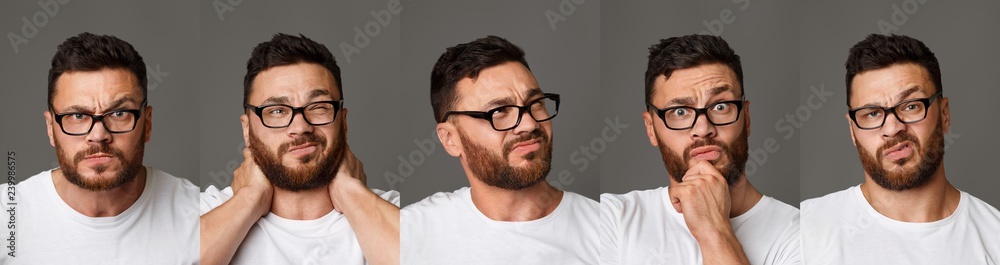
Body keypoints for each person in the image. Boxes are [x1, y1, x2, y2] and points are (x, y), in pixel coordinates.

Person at [199, 33, 400, 265]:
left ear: (343, 122)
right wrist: (248, 199)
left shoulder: (392, 212)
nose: (300, 127)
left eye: (318, 107)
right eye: (277, 111)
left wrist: (352, 194)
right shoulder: (204, 212)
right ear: (247, 129)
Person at [599, 34, 800, 265]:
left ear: (746, 118)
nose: (703, 129)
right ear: (651, 128)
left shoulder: (800, 236)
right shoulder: (610, 219)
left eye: (720, 106)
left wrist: (713, 230)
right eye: (680, 112)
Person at [0, 32, 199, 264]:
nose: (98, 136)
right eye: (77, 115)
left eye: (119, 113)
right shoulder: (6, 215)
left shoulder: (198, 212)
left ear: (147, 123)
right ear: (50, 128)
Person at [801, 34, 1000, 264]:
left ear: (944, 115)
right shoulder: (806, 230)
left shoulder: (994, 239)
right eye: (872, 113)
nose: (893, 128)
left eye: (911, 106)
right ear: (852, 130)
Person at [400, 35, 599, 265]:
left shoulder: (603, 229)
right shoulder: (412, 233)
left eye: (535, 104)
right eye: (499, 111)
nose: (529, 124)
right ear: (450, 139)